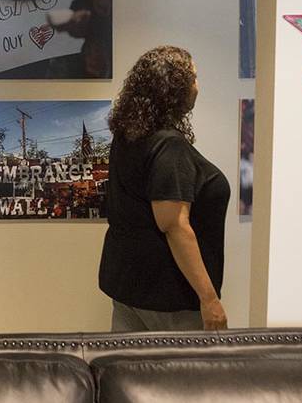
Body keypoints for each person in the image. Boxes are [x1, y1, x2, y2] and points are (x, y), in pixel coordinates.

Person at [98, 46, 230, 332]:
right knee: (181, 376)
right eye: (193, 78)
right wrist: (209, 299)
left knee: (129, 372)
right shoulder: (168, 146)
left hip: (128, 288)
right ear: (175, 88)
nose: (198, 86)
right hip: (168, 297)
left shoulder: (128, 137)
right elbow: (174, 225)